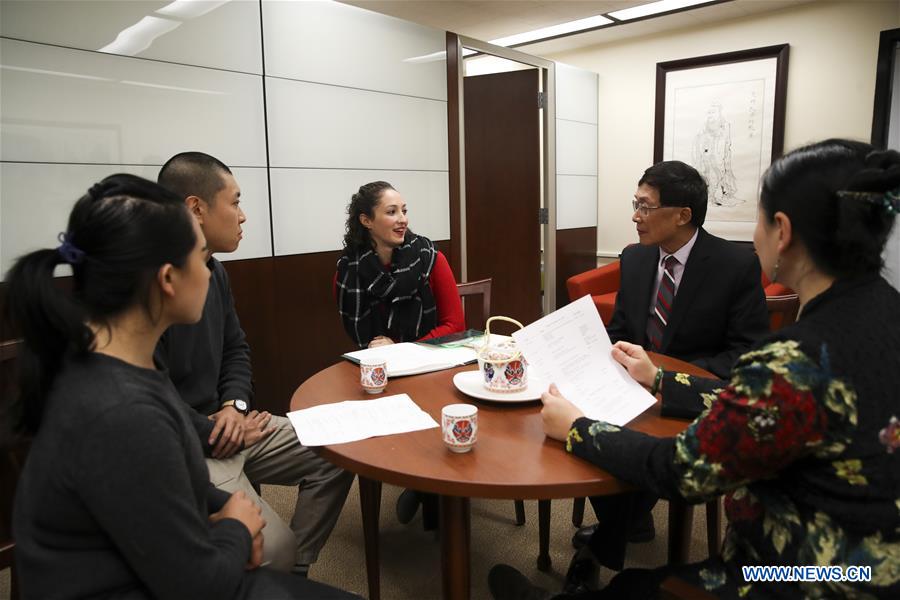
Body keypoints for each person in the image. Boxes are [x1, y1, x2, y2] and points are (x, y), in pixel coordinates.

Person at [489, 139, 900, 599]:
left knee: (633, 589)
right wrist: (661, 379)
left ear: (781, 230)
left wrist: (578, 428)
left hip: (807, 577)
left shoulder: (794, 355)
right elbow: (768, 401)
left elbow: (683, 469)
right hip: (875, 566)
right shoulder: (882, 314)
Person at [7, 174, 357, 599]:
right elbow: (198, 585)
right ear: (168, 279)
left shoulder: (109, 364)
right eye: (199, 257)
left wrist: (219, 504)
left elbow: (163, 486)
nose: (207, 273)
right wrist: (235, 528)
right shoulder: (122, 411)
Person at [156, 152, 353, 575]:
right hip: (188, 442)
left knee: (336, 451)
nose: (243, 216)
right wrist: (215, 427)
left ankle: (294, 575)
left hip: (231, 424)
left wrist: (235, 406)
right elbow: (148, 400)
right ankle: (280, 568)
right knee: (270, 547)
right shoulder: (156, 284)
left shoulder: (214, 271)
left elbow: (236, 349)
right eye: (236, 202)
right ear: (196, 209)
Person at [570, 160, 772, 562]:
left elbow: (744, 355)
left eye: (645, 207)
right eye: (635, 204)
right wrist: (594, 357)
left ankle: (607, 541)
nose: (635, 216)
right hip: (630, 386)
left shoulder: (734, 266)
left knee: (621, 439)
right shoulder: (637, 258)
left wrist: (665, 378)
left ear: (683, 215)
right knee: (578, 417)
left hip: (688, 396)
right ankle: (630, 519)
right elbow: (622, 330)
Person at [335, 180, 465, 524]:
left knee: (435, 412)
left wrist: (404, 349)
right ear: (366, 221)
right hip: (382, 370)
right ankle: (421, 485)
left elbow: (455, 324)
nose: (402, 218)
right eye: (391, 212)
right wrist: (384, 351)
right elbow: (358, 334)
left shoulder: (428, 256)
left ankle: (427, 490)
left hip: (436, 362)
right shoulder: (349, 268)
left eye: (404, 210)